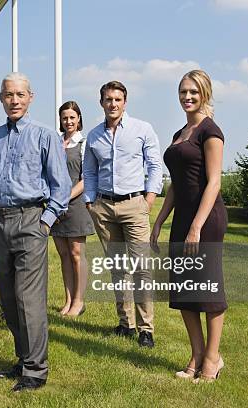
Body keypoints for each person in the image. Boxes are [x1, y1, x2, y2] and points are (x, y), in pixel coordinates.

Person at [0, 72, 71, 392]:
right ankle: (22, 357)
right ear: (1, 98)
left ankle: (35, 370)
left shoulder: (45, 136)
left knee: (27, 299)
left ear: (31, 97)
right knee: (7, 300)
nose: (14, 100)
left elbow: (61, 187)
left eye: (20, 94)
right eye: (8, 95)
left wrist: (45, 222)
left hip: (32, 221)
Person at [150, 70, 228, 382]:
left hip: (206, 220)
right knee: (184, 290)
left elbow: (214, 183)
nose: (187, 97)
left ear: (205, 93)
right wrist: (158, 222)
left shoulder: (210, 131)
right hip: (183, 218)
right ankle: (195, 356)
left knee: (207, 290)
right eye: (183, 91)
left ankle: (213, 358)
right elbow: (175, 185)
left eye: (194, 92)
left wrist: (197, 226)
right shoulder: (180, 133)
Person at [83, 80, 163, 348]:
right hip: (104, 207)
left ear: (125, 102)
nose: (113, 104)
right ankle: (125, 323)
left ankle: (146, 329)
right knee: (118, 268)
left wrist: (149, 200)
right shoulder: (94, 136)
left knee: (141, 267)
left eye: (117, 99)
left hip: (134, 205)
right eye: (108, 99)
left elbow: (154, 166)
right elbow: (90, 172)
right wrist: (90, 201)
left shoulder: (142, 129)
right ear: (101, 102)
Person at [51, 101, 95, 317]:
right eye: (64, 117)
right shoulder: (55, 142)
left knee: (77, 254)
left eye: (72, 117)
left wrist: (63, 199)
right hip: (55, 206)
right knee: (63, 255)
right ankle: (68, 300)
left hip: (75, 204)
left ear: (79, 119)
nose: (68, 121)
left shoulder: (84, 144)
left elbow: (86, 179)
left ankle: (79, 301)